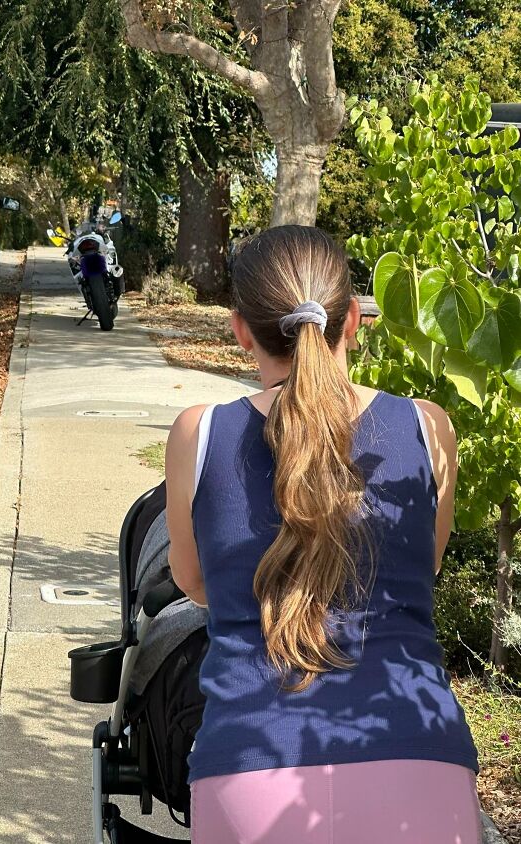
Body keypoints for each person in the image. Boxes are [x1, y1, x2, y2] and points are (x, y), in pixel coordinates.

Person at [164, 225, 480, 844]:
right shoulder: (427, 426)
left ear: (240, 330)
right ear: (354, 322)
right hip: (420, 763)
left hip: (251, 773)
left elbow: (194, 582)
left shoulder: (197, 435)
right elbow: (423, 568)